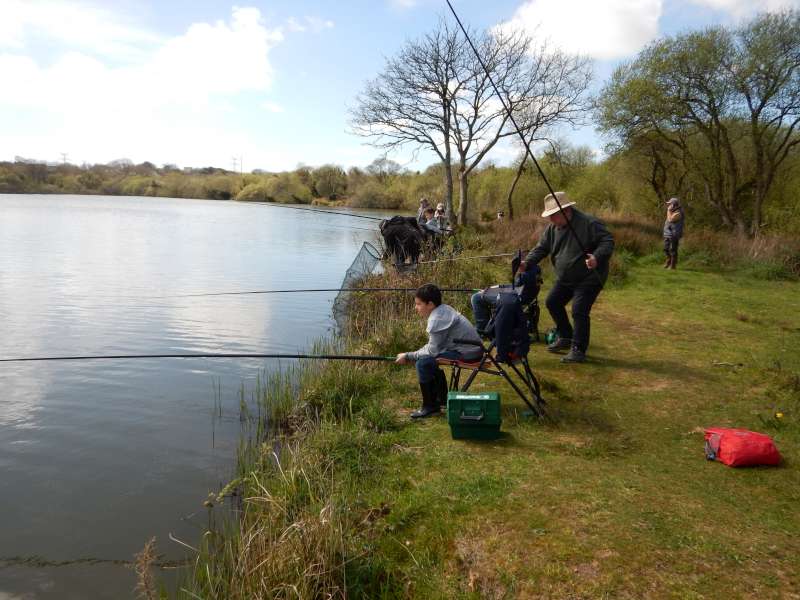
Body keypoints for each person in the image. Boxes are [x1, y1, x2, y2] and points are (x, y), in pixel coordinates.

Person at [519, 191, 614, 364]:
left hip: (590, 277)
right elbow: (541, 248)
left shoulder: (589, 223)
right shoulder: (553, 229)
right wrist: (527, 263)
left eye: (553, 215)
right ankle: (566, 336)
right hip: (566, 278)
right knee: (552, 302)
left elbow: (607, 241)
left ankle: (578, 350)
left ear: (566, 211)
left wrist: (596, 257)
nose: (551, 220)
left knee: (579, 310)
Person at [396, 284, 484, 418]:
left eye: (418, 304)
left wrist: (408, 356)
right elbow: (435, 347)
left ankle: (430, 406)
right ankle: (440, 400)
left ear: (430, 304)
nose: (416, 308)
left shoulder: (436, 320)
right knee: (427, 361)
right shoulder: (443, 309)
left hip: (468, 354)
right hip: (474, 349)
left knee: (423, 363)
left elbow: (431, 351)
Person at [663, 197, 684, 269]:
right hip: (667, 233)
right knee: (665, 248)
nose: (668, 205)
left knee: (673, 250)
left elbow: (670, 219)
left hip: (674, 234)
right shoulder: (672, 211)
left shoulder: (679, 212)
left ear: (674, 205)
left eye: (670, 204)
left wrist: (668, 211)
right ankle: (668, 260)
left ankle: (673, 265)